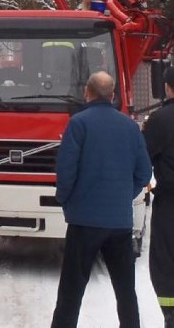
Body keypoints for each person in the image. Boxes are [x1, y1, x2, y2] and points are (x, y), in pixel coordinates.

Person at [50, 71, 152, 328]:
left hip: (83, 222)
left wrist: (66, 200)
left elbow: (66, 170)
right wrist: (122, 197)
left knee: (71, 292)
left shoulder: (78, 124)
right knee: (125, 291)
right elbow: (144, 172)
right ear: (113, 95)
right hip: (119, 223)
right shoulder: (129, 126)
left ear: (88, 92)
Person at [142, 64, 174, 327]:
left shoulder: (160, 120)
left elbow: (142, 159)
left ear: (167, 87)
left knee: (165, 262)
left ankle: (171, 315)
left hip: (170, 204)